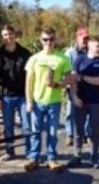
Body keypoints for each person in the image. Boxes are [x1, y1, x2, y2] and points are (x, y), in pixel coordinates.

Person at [23, 27, 78, 172]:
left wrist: (58, 84)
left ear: (55, 40)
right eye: (45, 39)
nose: (48, 42)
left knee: (52, 133)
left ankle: (51, 159)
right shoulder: (34, 59)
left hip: (54, 102)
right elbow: (28, 82)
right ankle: (34, 158)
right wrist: (29, 101)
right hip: (37, 101)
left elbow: (69, 79)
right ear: (41, 40)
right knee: (36, 132)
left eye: (51, 39)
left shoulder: (62, 58)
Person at [0, 25, 32, 161]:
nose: (8, 37)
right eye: (4, 35)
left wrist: (31, 95)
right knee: (8, 127)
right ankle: (10, 152)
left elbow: (31, 75)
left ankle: (30, 152)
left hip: (23, 96)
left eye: (9, 34)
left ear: (14, 34)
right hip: (7, 97)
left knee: (27, 125)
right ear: (2, 37)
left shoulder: (25, 53)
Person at [70, 35, 99, 168]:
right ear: (89, 46)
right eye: (97, 46)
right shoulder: (79, 59)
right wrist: (74, 97)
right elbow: (73, 79)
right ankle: (77, 156)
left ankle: (94, 157)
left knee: (94, 130)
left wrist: (83, 77)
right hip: (80, 100)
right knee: (78, 130)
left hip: (95, 101)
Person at [63, 28, 90, 147]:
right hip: (72, 85)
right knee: (71, 112)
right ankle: (70, 134)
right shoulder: (69, 53)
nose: (85, 40)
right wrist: (69, 83)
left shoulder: (90, 52)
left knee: (87, 112)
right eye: (83, 38)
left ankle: (84, 134)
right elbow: (65, 71)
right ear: (77, 38)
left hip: (86, 86)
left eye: (87, 38)